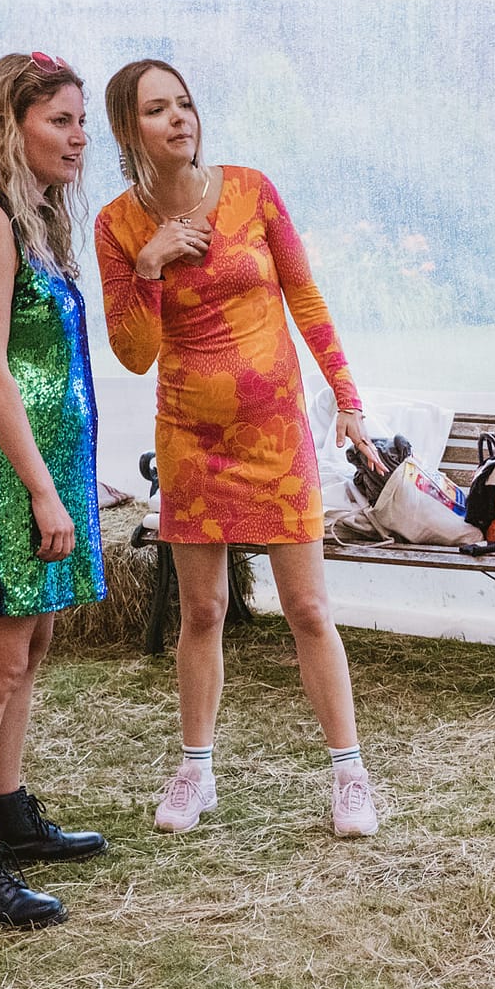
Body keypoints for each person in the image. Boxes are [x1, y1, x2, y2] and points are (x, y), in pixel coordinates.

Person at [94, 59, 385, 839]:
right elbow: (133, 352)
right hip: (190, 437)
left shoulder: (253, 189)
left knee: (309, 608)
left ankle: (349, 773)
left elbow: (305, 295)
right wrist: (150, 264)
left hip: (276, 434)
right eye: (157, 109)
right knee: (202, 609)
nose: (179, 118)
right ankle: (196, 770)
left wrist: (349, 400)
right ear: (130, 129)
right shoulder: (118, 225)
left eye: (185, 103)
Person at [0, 52, 111, 929]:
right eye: (60, 121)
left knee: (28, 650)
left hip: (41, 466)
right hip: (2, 474)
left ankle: (9, 810)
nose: (80, 138)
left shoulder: (30, 217)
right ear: (11, 123)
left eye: (82, 122)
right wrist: (40, 488)